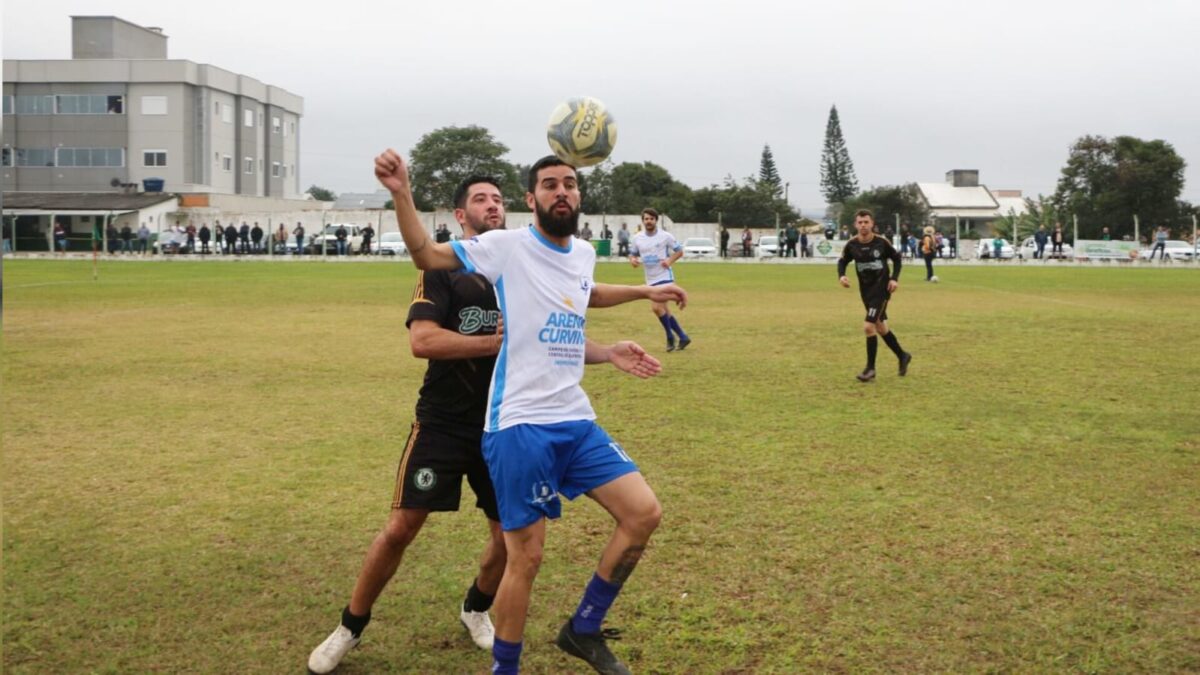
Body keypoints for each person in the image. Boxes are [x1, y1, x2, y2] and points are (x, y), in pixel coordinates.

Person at [375, 150, 686, 675]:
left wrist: (638, 294)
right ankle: (506, 668)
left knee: (643, 514)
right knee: (527, 557)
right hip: (519, 425)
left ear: (579, 195)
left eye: (569, 183)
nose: (561, 191)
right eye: (549, 185)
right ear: (531, 199)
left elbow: (584, 292)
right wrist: (402, 193)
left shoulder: (583, 253)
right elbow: (427, 255)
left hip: (575, 419)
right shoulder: (505, 246)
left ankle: (582, 629)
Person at [308, 176, 510, 674]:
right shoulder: (441, 269)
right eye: (480, 200)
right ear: (461, 217)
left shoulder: (518, 269)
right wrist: (494, 343)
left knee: (510, 538)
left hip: (502, 425)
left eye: (498, 200)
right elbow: (423, 341)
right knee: (401, 528)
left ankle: (476, 609)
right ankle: (349, 627)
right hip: (442, 423)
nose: (492, 206)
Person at [838, 209, 912, 383]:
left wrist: (894, 278)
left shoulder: (881, 242)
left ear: (872, 224)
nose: (863, 225)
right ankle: (903, 355)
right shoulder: (852, 244)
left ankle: (870, 369)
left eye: (866, 222)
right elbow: (843, 260)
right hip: (866, 292)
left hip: (881, 290)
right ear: (856, 224)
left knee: (868, 327)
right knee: (880, 327)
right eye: (860, 222)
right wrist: (841, 275)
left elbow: (897, 258)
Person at [631, 207, 691, 352]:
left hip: (664, 276)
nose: (649, 221)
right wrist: (633, 261)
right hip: (650, 279)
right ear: (643, 221)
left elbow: (679, 251)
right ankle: (683, 337)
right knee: (663, 309)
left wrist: (669, 261)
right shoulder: (637, 238)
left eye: (651, 219)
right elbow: (632, 255)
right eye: (646, 219)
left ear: (656, 220)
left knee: (656, 307)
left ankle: (670, 336)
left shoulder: (665, 236)